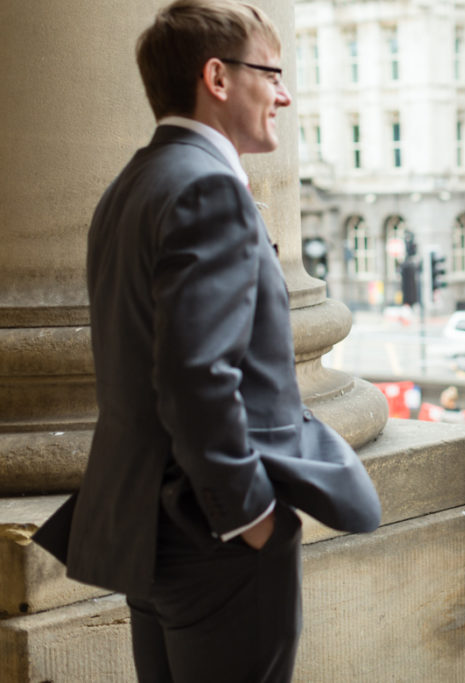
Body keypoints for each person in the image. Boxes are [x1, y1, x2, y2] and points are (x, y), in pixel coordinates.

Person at [32, 2, 380, 681]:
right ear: (216, 76)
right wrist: (249, 515)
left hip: (144, 532)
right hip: (212, 539)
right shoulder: (208, 190)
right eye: (271, 73)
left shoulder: (129, 185)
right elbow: (196, 376)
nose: (283, 93)